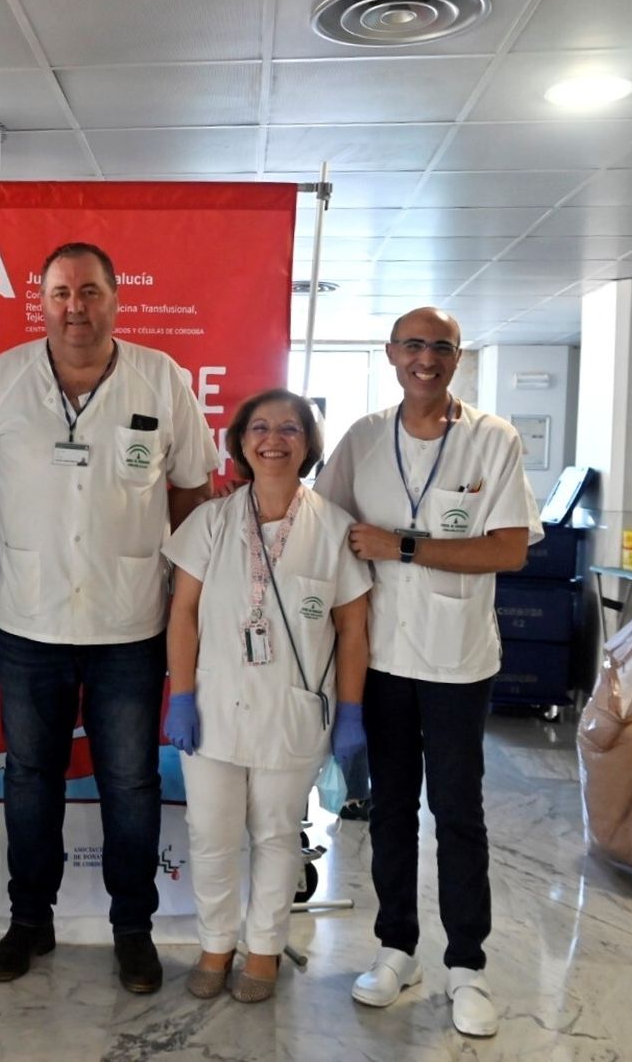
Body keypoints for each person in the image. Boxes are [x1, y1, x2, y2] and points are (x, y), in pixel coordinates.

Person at [0, 242, 217, 993]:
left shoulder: (161, 378)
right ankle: (29, 921)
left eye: (90, 291)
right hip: (27, 621)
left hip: (130, 623)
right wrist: (12, 537)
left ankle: (134, 929)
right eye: (61, 292)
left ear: (115, 299)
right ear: (41, 302)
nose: (76, 307)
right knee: (31, 778)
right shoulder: (2, 377)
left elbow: (192, 487)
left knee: (130, 781)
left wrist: (161, 558)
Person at [313, 306, 541, 1038]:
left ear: (457, 358)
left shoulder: (492, 439)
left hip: (457, 660)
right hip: (379, 656)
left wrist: (403, 546)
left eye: (441, 347)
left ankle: (467, 965)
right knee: (388, 809)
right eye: (413, 344)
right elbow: (324, 529)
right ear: (390, 353)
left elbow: (508, 548)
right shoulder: (362, 438)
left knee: (457, 810)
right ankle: (397, 948)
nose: (426, 358)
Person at [162, 388, 370, 1003]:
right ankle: (215, 944)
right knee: (211, 834)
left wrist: (351, 712)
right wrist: (181, 696)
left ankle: (263, 951)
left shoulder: (334, 529)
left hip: (292, 710)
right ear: (241, 443)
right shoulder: (212, 521)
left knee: (277, 836)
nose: (272, 439)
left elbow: (353, 628)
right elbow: (183, 614)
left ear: (308, 445)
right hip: (214, 709)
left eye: (289, 429)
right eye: (259, 428)